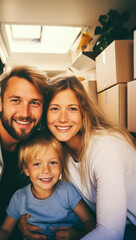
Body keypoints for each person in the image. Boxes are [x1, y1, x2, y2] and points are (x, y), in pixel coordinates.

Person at [19, 75, 136, 240]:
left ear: (84, 112)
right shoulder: (59, 148)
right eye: (54, 108)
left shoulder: (106, 147)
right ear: (45, 114)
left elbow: (111, 233)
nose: (63, 118)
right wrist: (24, 220)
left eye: (72, 108)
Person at [0, 65, 49, 240]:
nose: (25, 113)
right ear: (0, 102)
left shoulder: (38, 142)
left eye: (35, 103)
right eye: (16, 100)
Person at [0, 131, 95, 240]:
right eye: (37, 164)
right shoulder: (19, 198)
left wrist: (79, 235)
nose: (46, 170)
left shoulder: (67, 191)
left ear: (61, 165)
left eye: (53, 162)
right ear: (26, 170)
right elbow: (5, 230)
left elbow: (89, 221)